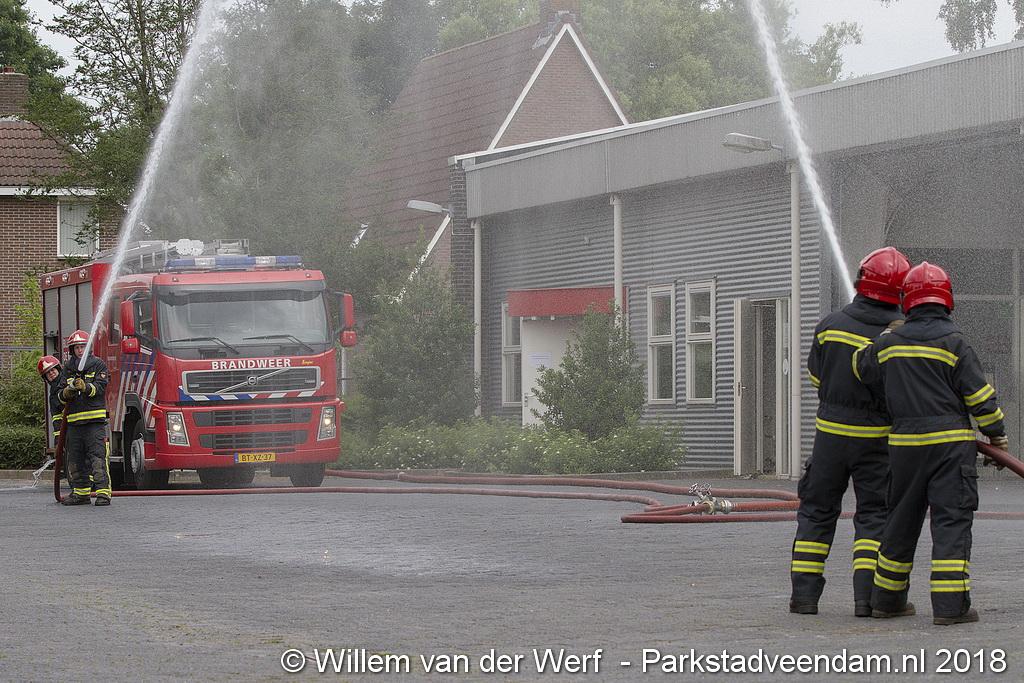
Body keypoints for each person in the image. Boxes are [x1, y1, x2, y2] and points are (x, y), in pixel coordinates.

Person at [855, 262, 1005, 625]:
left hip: (905, 448)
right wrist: (996, 434)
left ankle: (887, 601)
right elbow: (980, 398)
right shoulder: (955, 342)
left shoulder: (890, 344)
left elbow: (861, 367)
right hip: (950, 449)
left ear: (907, 300)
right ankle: (951, 607)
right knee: (951, 523)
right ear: (946, 299)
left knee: (900, 521)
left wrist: (884, 335)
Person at [790, 247, 911, 617]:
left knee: (816, 512)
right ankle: (866, 599)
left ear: (861, 281)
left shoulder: (830, 326)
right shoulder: (902, 334)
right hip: (877, 440)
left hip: (829, 438)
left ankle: (804, 597)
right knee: (874, 515)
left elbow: (816, 376)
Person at [58, 330, 112, 507]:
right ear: (72, 350)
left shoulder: (98, 365)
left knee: (98, 458)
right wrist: (67, 392)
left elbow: (100, 387)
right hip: (74, 423)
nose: (80, 350)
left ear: (88, 348)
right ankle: (81, 494)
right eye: (77, 348)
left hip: (94, 423)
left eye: (83, 347)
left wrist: (86, 387)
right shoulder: (68, 368)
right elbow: (59, 394)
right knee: (76, 460)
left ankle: (103, 493)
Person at [38, 355, 65, 434]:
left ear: (58, 369)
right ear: (45, 377)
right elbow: (57, 419)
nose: (51, 373)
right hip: (71, 429)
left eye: (52, 370)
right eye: (47, 373)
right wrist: (58, 438)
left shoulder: (68, 381)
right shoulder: (52, 396)